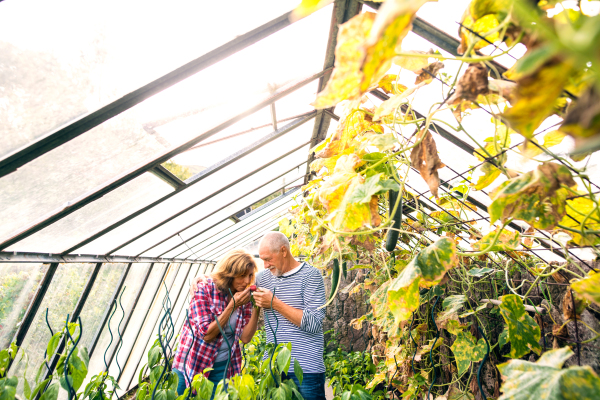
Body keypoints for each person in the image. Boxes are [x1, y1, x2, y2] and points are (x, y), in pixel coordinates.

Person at [172, 249, 260, 399]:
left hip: (224, 366)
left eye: (250, 275)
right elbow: (206, 335)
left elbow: (245, 338)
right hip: (193, 364)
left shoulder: (243, 295)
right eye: (242, 276)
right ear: (229, 274)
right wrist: (232, 306)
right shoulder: (204, 289)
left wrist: (257, 307)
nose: (247, 281)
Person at [252, 231, 327, 400]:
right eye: (262, 260)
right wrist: (202, 279)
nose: (264, 265)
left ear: (283, 251)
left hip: (307, 369)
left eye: (268, 259)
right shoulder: (262, 278)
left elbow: (314, 323)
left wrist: (274, 303)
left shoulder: (311, 276)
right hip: (275, 367)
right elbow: (235, 278)